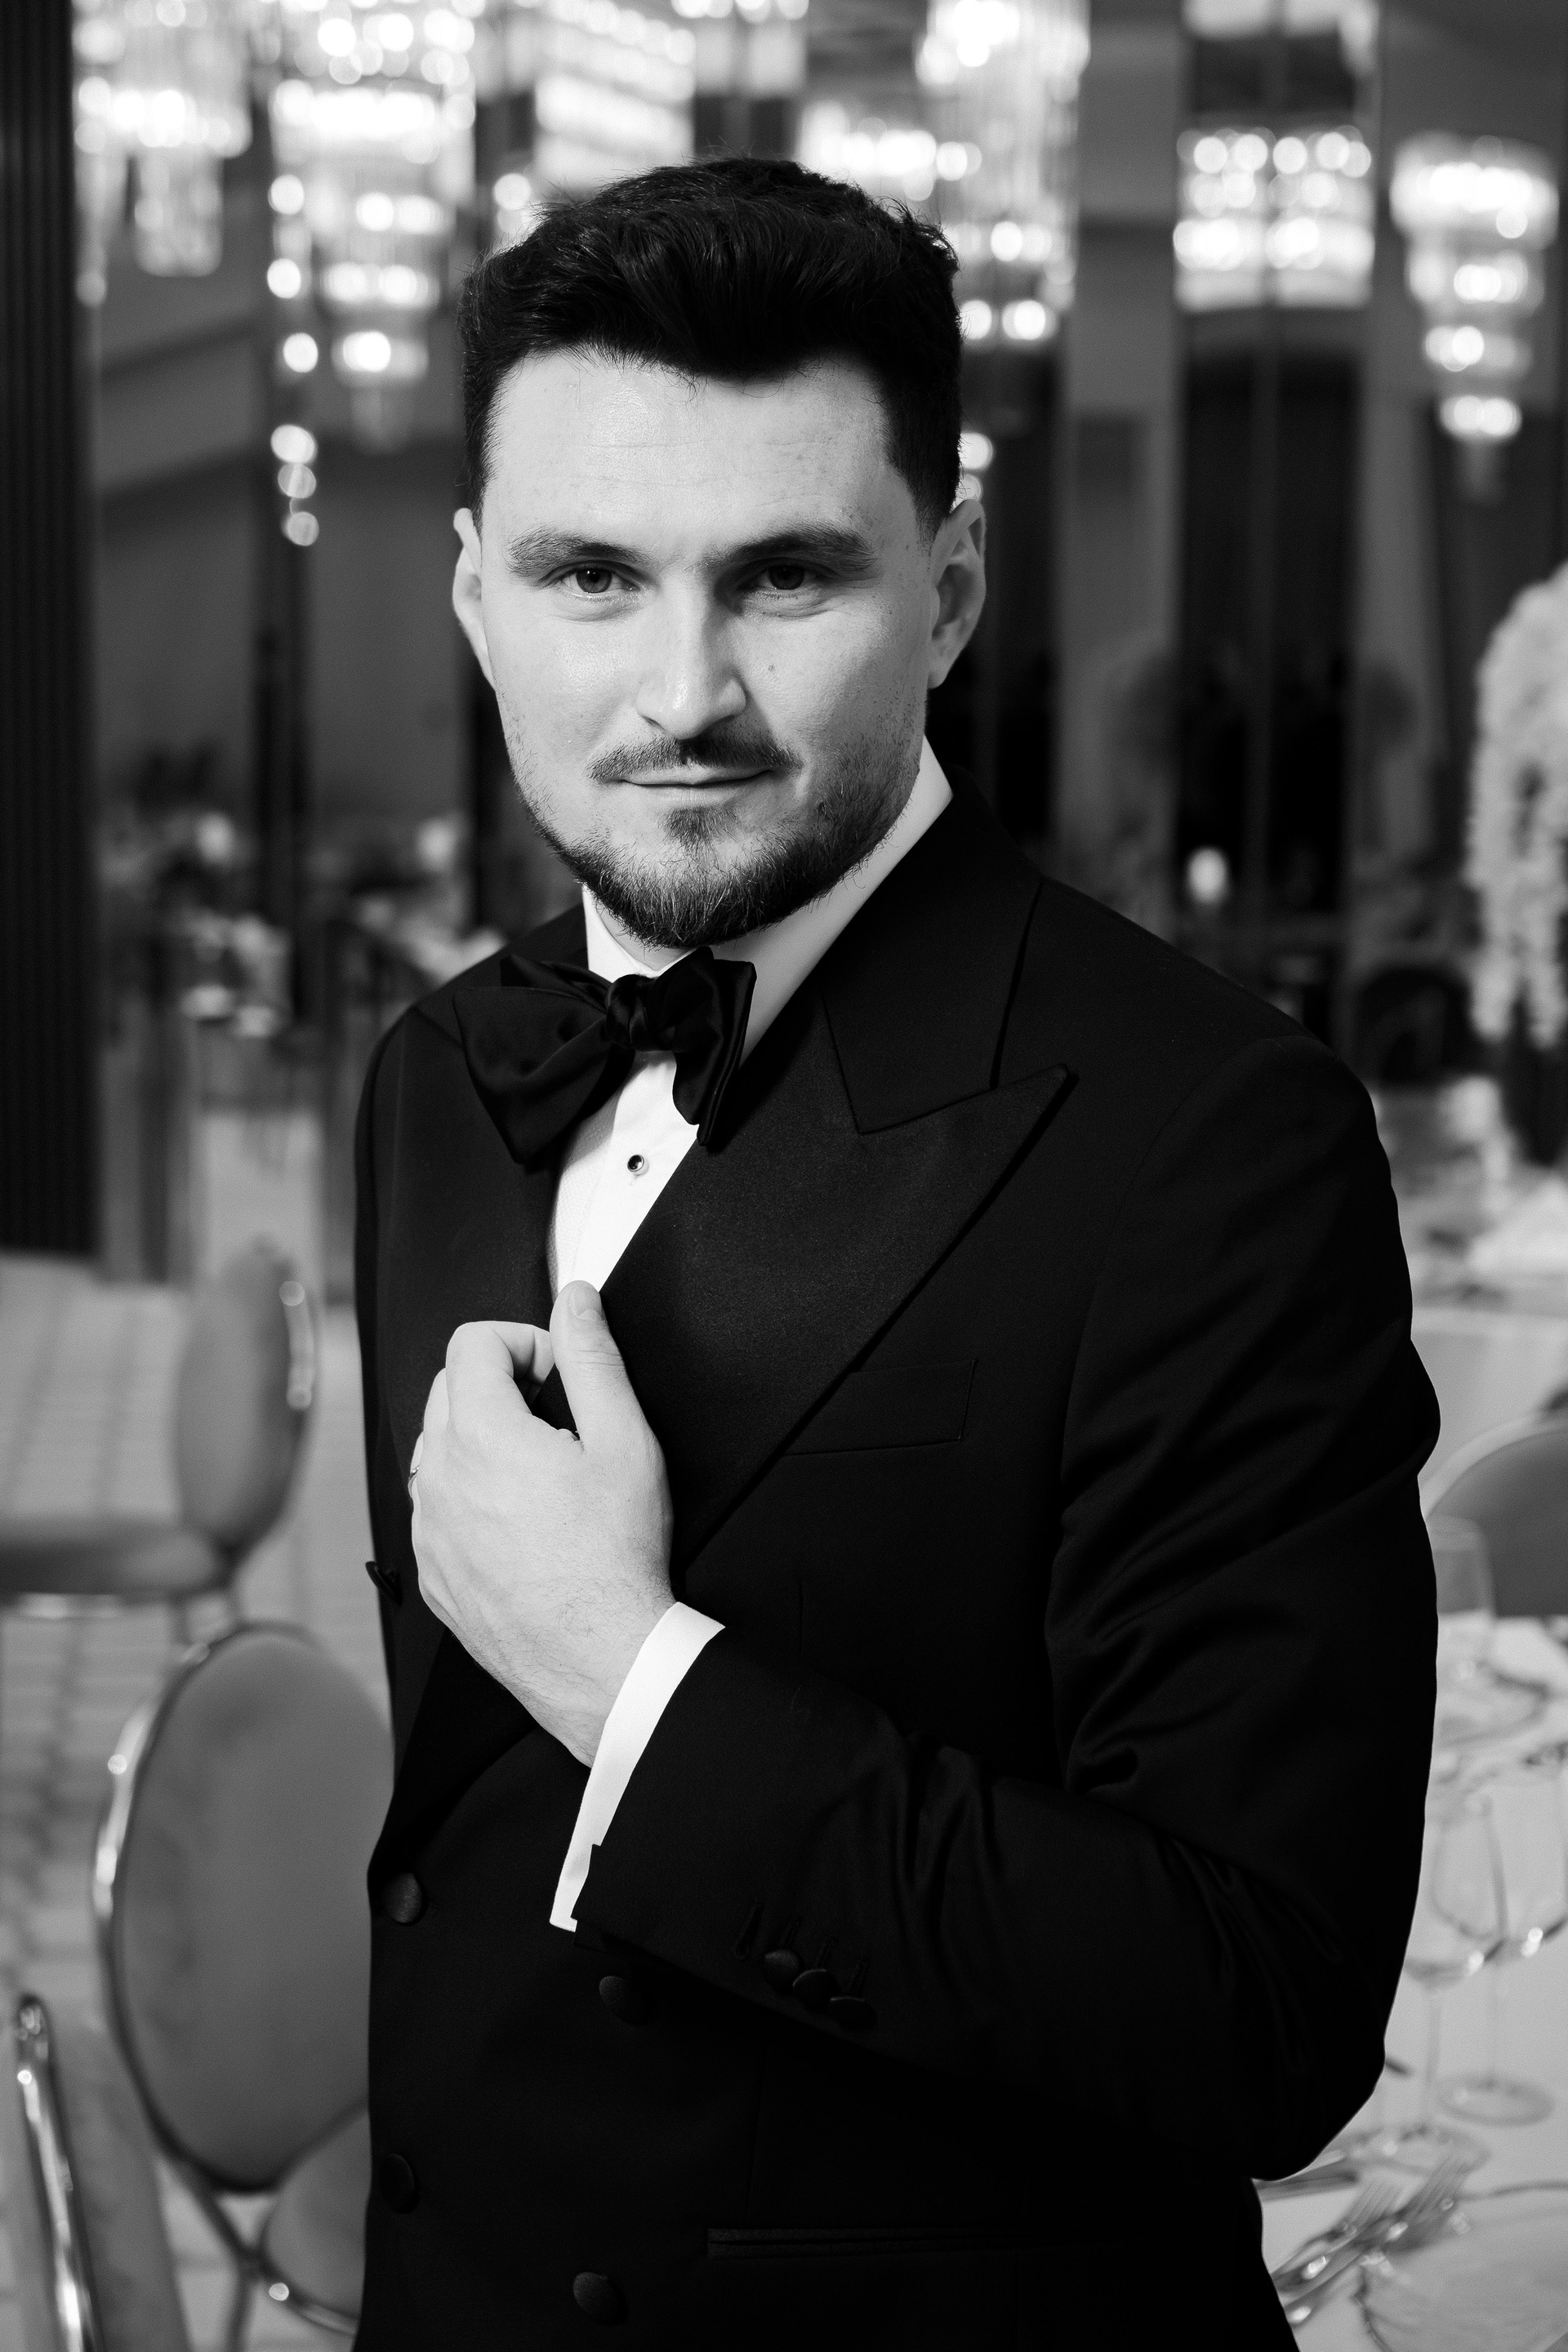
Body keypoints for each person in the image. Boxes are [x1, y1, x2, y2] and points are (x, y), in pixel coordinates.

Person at [354, 156, 1437, 2350]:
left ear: (947, 590)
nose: (682, 693)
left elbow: (1263, 2010)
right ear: (473, 594)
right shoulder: (438, 1073)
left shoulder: (1216, 1139)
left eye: (784, 576)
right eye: (590, 576)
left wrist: (628, 1678)